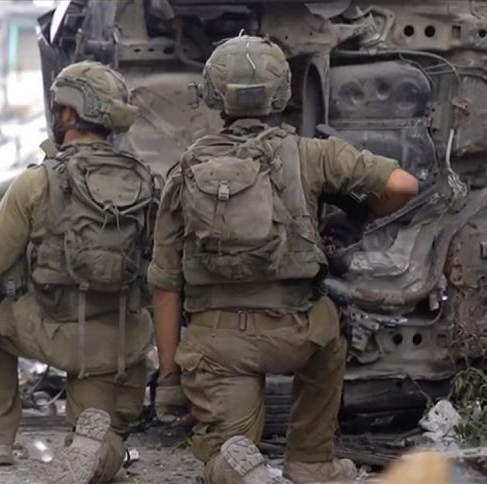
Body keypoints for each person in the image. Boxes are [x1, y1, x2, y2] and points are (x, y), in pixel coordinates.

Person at [149, 36, 419, 484]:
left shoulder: (185, 171)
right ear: (281, 93)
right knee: (332, 323)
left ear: (213, 95)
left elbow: (164, 283)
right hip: (298, 333)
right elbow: (403, 185)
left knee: (225, 453)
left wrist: (170, 376)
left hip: (218, 345)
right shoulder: (314, 154)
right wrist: (358, 216)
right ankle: (311, 460)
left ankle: (238, 463)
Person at [0, 61, 157, 484]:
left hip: (53, 330)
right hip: (121, 342)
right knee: (102, 438)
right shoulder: (145, 183)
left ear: (67, 113)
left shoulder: (37, 182)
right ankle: (96, 452)